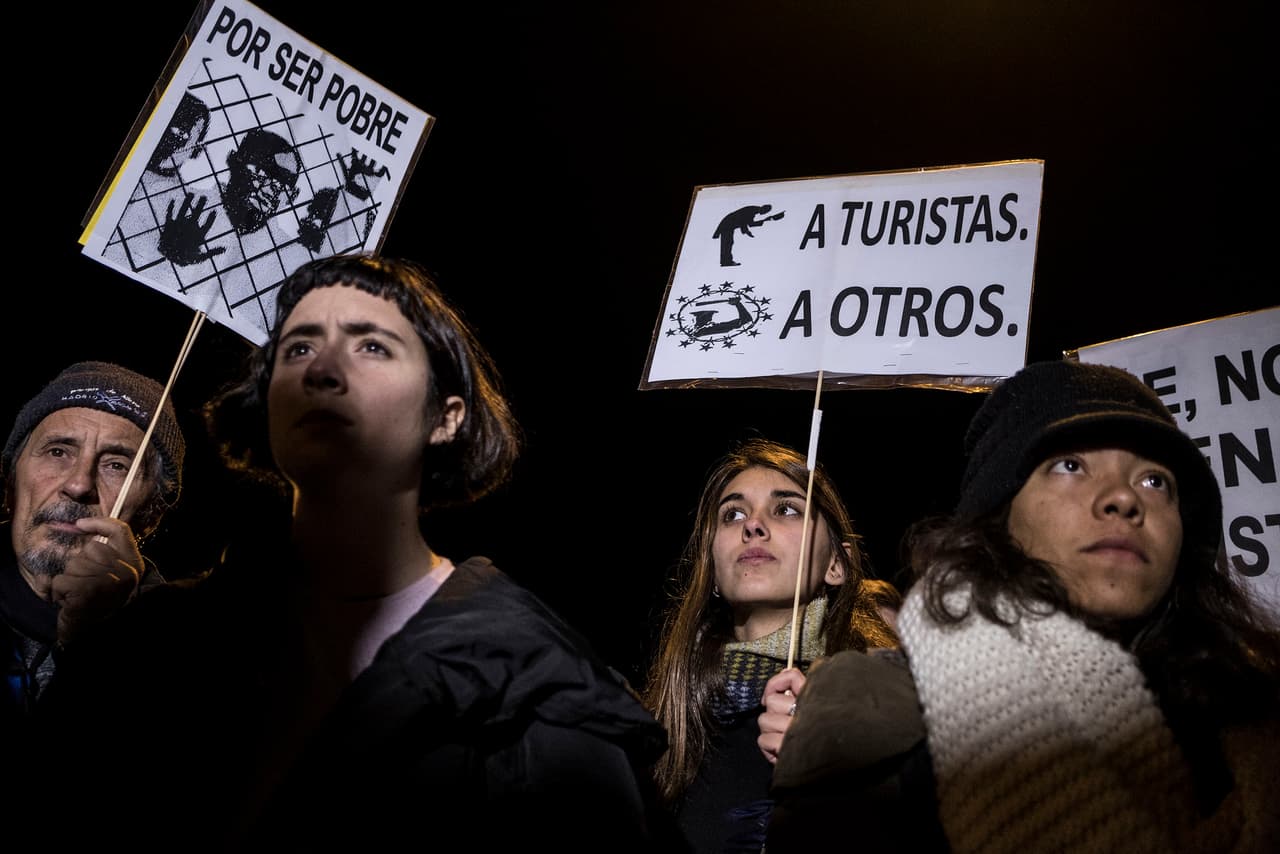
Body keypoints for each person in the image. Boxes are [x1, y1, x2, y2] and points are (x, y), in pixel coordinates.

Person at [37, 254, 673, 852]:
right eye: (300, 347)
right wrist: (100, 660)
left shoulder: (537, 688)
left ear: (445, 417)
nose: (322, 371)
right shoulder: (158, 645)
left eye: (373, 346)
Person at [759, 359, 1280, 853]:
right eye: (1070, 465)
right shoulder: (874, 710)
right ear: (998, 517)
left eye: (1154, 480)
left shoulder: (1254, 714)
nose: (1124, 498)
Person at [642, 437, 899, 853]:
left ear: (837, 564)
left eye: (786, 509)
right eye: (733, 514)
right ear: (712, 565)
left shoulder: (891, 708)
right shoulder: (661, 731)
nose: (753, 525)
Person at [1, 360, 184, 723]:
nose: (79, 484)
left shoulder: (189, 655)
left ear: (153, 513)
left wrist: (98, 647)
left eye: (117, 465)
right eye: (58, 452)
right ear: (9, 482)